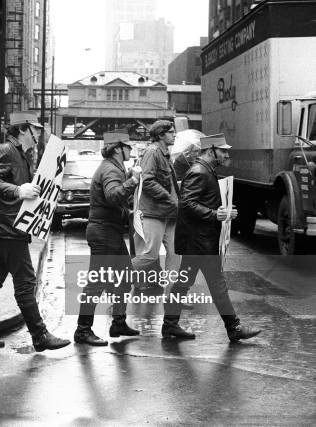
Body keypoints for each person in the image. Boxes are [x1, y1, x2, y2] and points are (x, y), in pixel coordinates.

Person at [0, 111, 70, 352]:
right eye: (35, 128)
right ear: (23, 129)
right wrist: (18, 190)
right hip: (7, 228)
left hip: (6, 227)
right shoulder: (5, 150)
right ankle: (39, 335)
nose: (38, 133)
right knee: (25, 282)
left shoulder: (20, 154)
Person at [162, 134, 262, 341]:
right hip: (199, 242)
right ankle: (233, 328)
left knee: (184, 284)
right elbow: (187, 203)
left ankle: (170, 325)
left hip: (198, 241)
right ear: (211, 151)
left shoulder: (205, 170)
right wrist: (215, 214)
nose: (227, 154)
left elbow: (199, 201)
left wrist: (222, 209)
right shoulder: (199, 171)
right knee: (216, 284)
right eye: (223, 151)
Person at [74, 130, 142, 345]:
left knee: (125, 277)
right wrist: (132, 181)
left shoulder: (114, 167)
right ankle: (83, 330)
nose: (131, 149)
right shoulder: (111, 170)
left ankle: (118, 322)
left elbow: (111, 203)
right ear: (118, 148)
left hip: (109, 231)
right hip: (103, 233)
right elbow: (113, 196)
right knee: (97, 282)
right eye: (128, 146)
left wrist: (130, 214)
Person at [132, 120, 181, 294]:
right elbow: (148, 181)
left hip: (169, 214)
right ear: (161, 135)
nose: (174, 135)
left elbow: (165, 182)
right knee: (150, 255)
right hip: (154, 213)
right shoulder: (152, 153)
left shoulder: (166, 154)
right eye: (171, 132)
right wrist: (170, 198)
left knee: (175, 255)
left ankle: (171, 295)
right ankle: (119, 276)